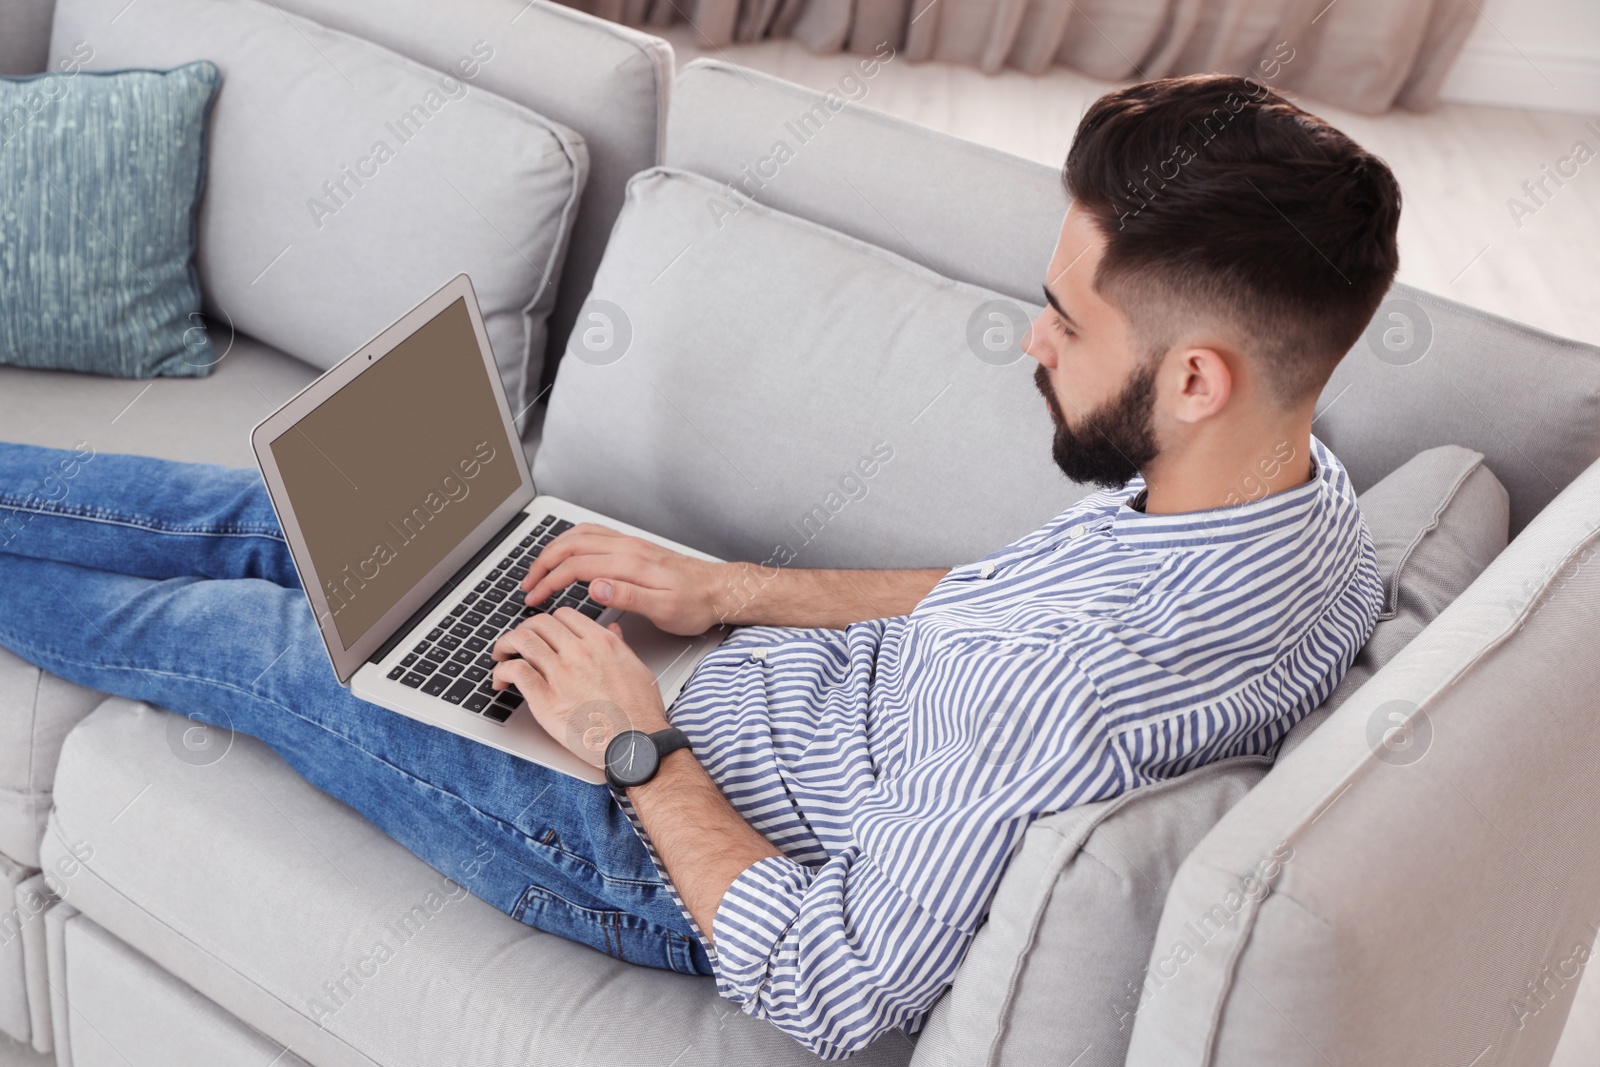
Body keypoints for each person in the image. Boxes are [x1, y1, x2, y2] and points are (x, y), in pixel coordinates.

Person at [0, 73, 1398, 1059]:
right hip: (703, 700)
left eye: (1066, 320)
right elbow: (988, 612)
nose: (1033, 342)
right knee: (296, 524)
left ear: (1199, 378)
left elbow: (830, 987)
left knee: (251, 638)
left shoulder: (1066, 694)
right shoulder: (1310, 515)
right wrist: (732, 592)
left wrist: (629, 745)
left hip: (630, 841)